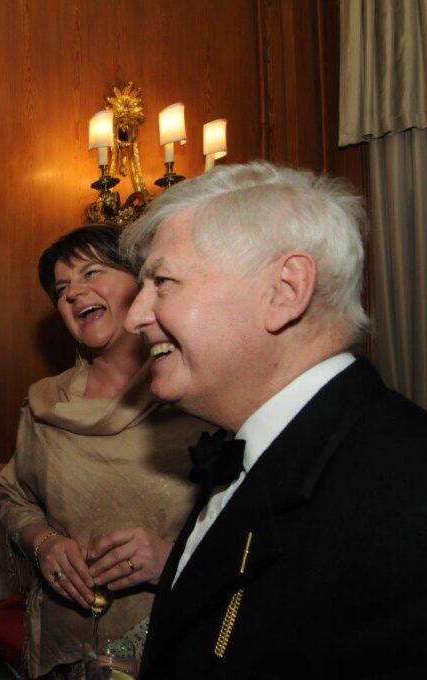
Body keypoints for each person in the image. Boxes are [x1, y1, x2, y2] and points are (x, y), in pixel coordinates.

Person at [121, 161, 427, 678]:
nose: (134, 316)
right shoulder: (265, 446)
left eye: (163, 281)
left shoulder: (406, 495)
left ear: (286, 290)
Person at [0, 225, 210, 678]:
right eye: (61, 289)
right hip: (63, 643)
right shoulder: (44, 403)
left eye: (92, 271)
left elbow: (257, 528)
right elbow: (15, 499)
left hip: (180, 630)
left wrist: (172, 559)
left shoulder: (199, 395)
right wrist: (43, 544)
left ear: (143, 280)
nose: (74, 292)